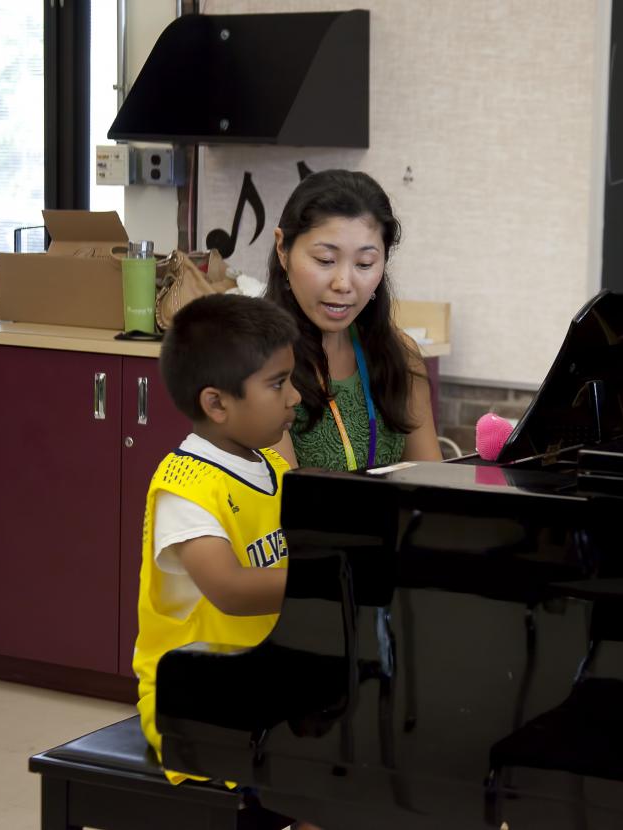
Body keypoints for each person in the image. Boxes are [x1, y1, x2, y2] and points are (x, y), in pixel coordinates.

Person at [133, 293, 301, 786]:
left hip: (261, 676)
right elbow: (229, 590)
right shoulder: (184, 486)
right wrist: (333, 577)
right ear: (216, 403)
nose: (294, 397)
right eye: (278, 383)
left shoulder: (272, 466)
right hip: (194, 697)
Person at [265, 169, 442, 470]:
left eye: (364, 263)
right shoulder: (259, 362)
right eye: (325, 260)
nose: (344, 283)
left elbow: (431, 488)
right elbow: (287, 504)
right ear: (283, 248)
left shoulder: (401, 355)